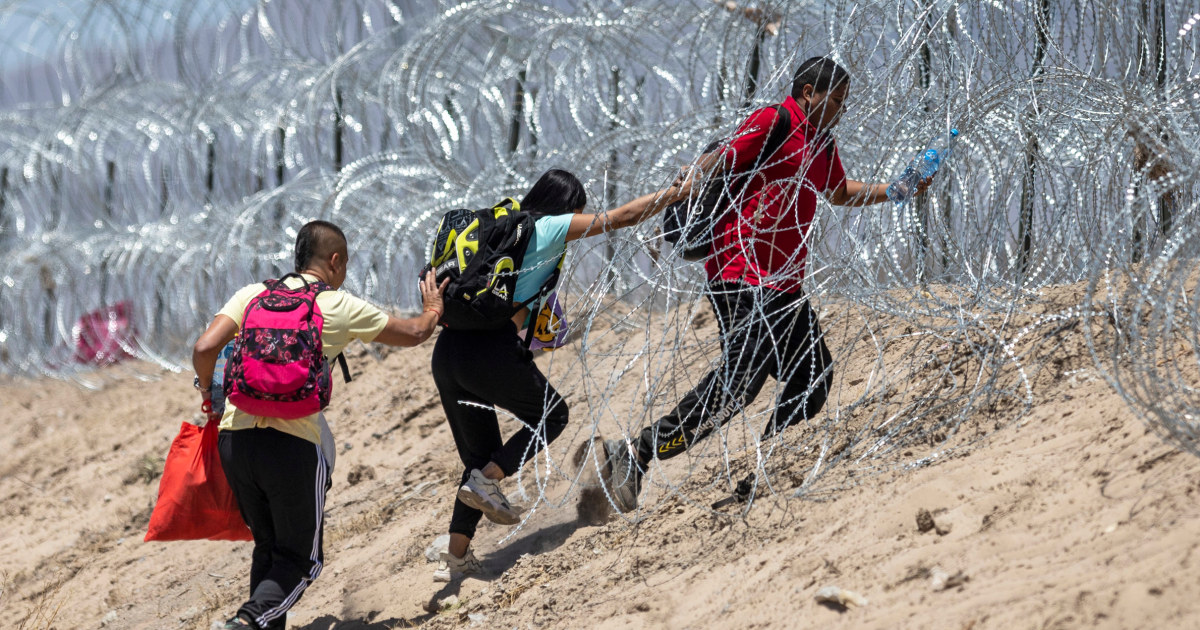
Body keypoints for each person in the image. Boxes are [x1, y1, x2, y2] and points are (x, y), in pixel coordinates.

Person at [601, 56, 936, 512]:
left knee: (813, 375)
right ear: (807, 93)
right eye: (835, 99)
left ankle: (764, 470)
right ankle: (637, 452)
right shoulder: (773, 120)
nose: (841, 108)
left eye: (844, 101)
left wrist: (895, 190)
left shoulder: (821, 143)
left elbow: (838, 193)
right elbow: (724, 155)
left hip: (783, 285)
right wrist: (694, 175)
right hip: (741, 274)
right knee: (741, 382)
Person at [191, 220, 447, 630]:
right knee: (301, 560)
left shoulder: (253, 294)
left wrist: (208, 396)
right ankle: (248, 622)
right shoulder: (336, 305)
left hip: (235, 442)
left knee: (270, 547)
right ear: (334, 261)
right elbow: (415, 332)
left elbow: (204, 348)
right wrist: (433, 308)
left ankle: (258, 622)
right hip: (293, 444)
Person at [431, 169, 684, 581]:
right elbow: (618, 218)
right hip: (485, 351)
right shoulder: (547, 226)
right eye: (577, 215)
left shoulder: (503, 235)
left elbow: (526, 321)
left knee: (481, 458)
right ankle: (489, 480)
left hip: (447, 354)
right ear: (569, 207)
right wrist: (677, 193)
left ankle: (456, 556)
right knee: (553, 415)